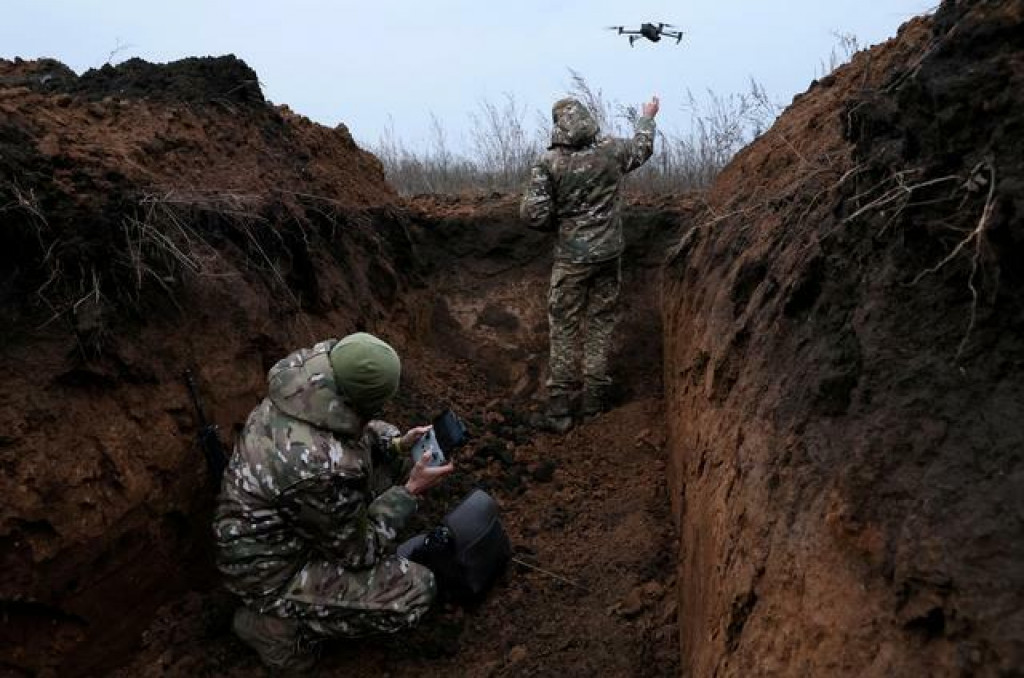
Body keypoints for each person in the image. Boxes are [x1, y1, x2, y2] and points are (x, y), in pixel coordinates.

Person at [213, 332, 454, 672]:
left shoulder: (307, 377)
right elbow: (359, 552)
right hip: (269, 572)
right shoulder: (319, 466)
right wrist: (409, 493)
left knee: (393, 464)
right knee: (414, 591)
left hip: (282, 522)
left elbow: (352, 432)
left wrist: (398, 444)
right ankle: (274, 626)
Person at [520, 95, 659, 432]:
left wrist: (563, 222)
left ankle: (559, 412)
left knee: (564, 328)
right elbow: (643, 149)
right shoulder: (611, 150)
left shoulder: (549, 163)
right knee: (600, 324)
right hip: (610, 255)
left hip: (571, 260)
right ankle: (595, 404)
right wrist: (647, 116)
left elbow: (533, 215)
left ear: (558, 125)